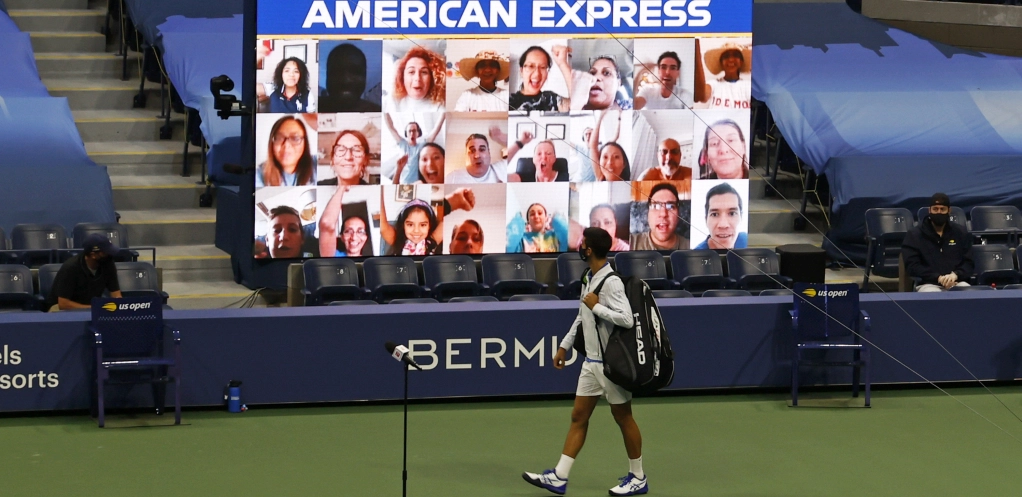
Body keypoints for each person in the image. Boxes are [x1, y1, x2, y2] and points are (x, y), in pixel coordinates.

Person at [523, 227, 647, 497]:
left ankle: (638, 477)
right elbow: (582, 316)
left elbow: (626, 319)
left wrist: (597, 306)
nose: (580, 246)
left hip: (611, 366)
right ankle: (560, 476)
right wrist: (564, 345)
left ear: (589, 249)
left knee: (623, 417)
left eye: (583, 243)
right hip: (590, 364)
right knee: (579, 416)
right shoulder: (588, 277)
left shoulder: (611, 282)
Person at [902, 193, 974, 292]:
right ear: (929, 210)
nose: (938, 212)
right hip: (928, 284)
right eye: (935, 209)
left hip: (957, 282)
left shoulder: (960, 232)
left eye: (942, 209)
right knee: (933, 294)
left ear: (949, 211)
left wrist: (955, 275)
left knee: (969, 292)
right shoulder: (915, 235)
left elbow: (969, 262)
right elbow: (913, 266)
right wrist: (938, 278)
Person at [380, 187, 476, 255]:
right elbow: (383, 227)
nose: (416, 230)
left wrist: (455, 200)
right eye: (410, 225)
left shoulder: (430, 242)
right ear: (403, 225)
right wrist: (380, 190)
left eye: (422, 225)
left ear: (429, 226)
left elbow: (443, 222)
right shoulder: (398, 241)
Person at [47, 233, 122, 311]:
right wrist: (95, 308)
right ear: (93, 255)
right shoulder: (70, 268)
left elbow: (116, 293)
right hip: (61, 308)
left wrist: (119, 306)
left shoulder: (108, 264)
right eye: (105, 253)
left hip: (91, 306)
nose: (109, 255)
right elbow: (63, 304)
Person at [446, 126, 524, 183]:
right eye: (472, 151)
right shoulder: (452, 178)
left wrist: (500, 138)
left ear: (489, 153)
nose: (477, 156)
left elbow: (514, 149)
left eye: (482, 149)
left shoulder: (500, 168)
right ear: (466, 155)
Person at [384, 113, 446, 184]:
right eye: (409, 131)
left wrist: (444, 114)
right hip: (403, 183)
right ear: (406, 133)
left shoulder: (423, 146)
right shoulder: (402, 144)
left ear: (418, 133)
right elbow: (390, 127)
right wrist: (385, 111)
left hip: (418, 183)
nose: (412, 133)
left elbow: (436, 129)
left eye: (414, 131)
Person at [319, 43, 381, 113]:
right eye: (337, 71)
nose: (346, 80)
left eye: (356, 71)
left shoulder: (378, 112)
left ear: (365, 77)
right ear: (327, 76)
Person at [562, 49, 632, 111]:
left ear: (618, 83)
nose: (596, 78)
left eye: (607, 73)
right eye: (592, 73)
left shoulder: (630, 106)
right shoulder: (565, 106)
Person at [257, 115, 316, 188]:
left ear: (305, 143)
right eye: (279, 138)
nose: (286, 145)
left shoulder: (315, 164)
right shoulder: (259, 174)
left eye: (295, 138)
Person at [384, 46, 446, 112]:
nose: (417, 78)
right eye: (411, 72)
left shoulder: (440, 107)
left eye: (424, 72)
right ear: (402, 77)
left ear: (432, 78)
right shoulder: (390, 103)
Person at [630, 183, 689, 251]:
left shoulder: (691, 246)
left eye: (670, 206)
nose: (663, 214)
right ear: (648, 213)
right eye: (655, 206)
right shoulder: (629, 243)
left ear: (678, 213)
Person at [694, 39, 752, 110]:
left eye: (735, 55)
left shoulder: (749, 86)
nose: (731, 59)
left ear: (741, 62)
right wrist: (696, 46)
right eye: (726, 56)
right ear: (721, 63)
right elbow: (700, 97)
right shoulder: (714, 84)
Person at [509, 46, 569, 112]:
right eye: (531, 66)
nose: (537, 74)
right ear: (521, 71)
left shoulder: (551, 99)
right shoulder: (509, 103)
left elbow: (576, 105)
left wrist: (562, 63)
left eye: (543, 67)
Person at [318, 186, 373, 257]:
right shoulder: (333, 256)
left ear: (366, 237)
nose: (354, 237)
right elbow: (327, 224)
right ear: (342, 237)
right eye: (348, 231)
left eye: (360, 232)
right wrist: (342, 188)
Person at [694, 182, 748, 250]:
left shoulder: (746, 240)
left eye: (732, 213)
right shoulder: (695, 254)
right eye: (714, 214)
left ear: (741, 217)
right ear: (706, 220)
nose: (723, 225)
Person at [585, 110, 631, 182]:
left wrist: (619, 117)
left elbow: (616, 136)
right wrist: (601, 116)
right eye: (605, 157)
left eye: (616, 157)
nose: (610, 162)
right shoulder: (601, 177)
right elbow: (593, 146)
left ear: (624, 164)